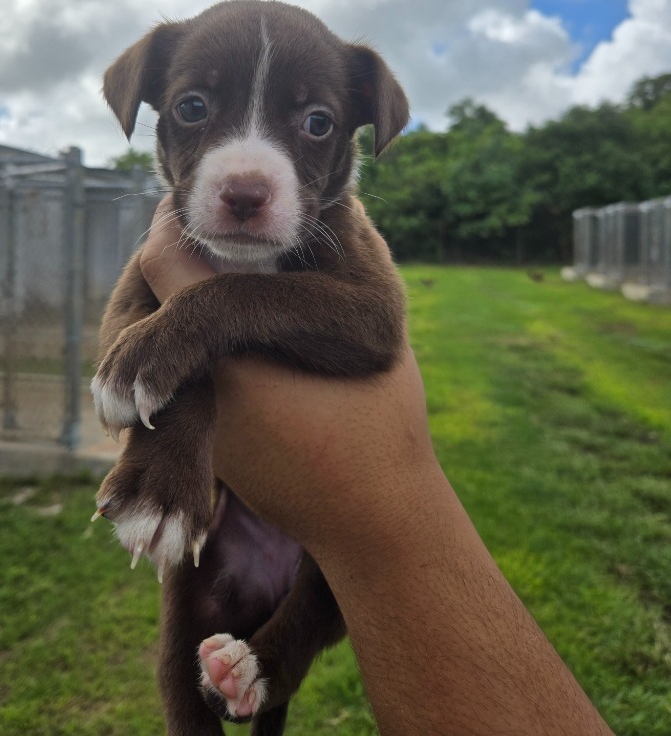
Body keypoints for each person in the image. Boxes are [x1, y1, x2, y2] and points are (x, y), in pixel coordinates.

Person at [138, 199, 615, 736]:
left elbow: (374, 323)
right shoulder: (180, 235)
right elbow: (133, 337)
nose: (246, 176)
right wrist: (165, 442)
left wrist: (212, 313)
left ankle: (274, 666)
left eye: (313, 136)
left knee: (309, 605)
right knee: (186, 648)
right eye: (196, 115)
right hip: (227, 513)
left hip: (318, 527)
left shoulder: (336, 226)